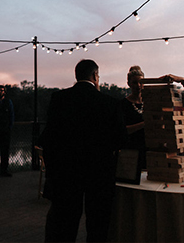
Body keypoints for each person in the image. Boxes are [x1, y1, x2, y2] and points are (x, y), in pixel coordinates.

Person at [39, 59, 126, 242]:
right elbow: (120, 139)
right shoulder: (110, 103)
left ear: (76, 75)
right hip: (99, 174)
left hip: (66, 173)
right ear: (95, 76)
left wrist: (52, 171)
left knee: (64, 226)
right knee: (97, 225)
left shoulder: (59, 99)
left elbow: (49, 137)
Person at [119, 65, 146, 169]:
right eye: (135, 82)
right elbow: (122, 130)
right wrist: (143, 124)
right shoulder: (123, 105)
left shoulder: (149, 103)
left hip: (148, 150)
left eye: (141, 82)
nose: (138, 85)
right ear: (129, 84)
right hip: (131, 151)